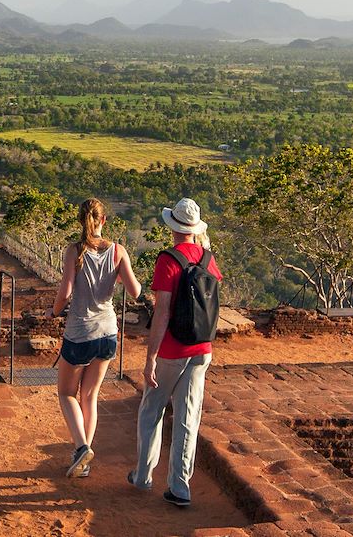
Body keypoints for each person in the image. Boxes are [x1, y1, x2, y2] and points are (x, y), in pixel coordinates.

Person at [130, 198, 222, 508]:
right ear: (195, 229)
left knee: (152, 410)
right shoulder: (208, 259)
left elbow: (162, 312)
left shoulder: (169, 260)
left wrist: (150, 357)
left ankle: (143, 475)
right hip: (202, 348)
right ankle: (180, 486)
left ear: (173, 228)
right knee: (188, 416)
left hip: (172, 349)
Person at [53, 198, 141, 478]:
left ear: (81, 220)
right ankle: (84, 461)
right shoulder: (118, 251)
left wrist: (53, 312)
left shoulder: (74, 251)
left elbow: (65, 293)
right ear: (104, 221)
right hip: (107, 332)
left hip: (80, 332)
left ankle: (81, 448)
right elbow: (136, 291)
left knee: (67, 394)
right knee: (89, 396)